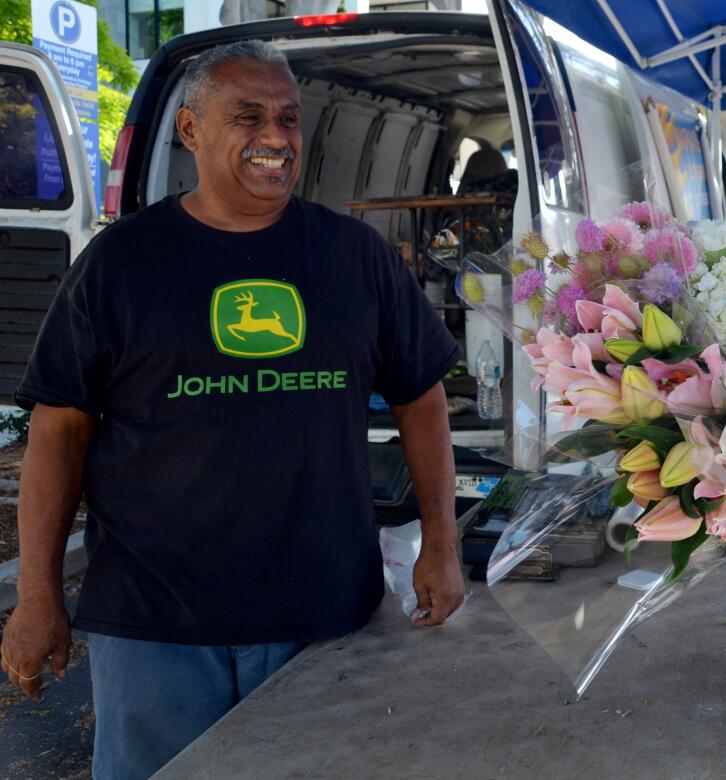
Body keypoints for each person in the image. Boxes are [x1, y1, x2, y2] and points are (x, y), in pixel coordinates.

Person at [0, 41, 465, 778]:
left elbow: (422, 398)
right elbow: (59, 430)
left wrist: (441, 543)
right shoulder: (120, 263)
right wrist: (36, 596)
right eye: (247, 117)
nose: (276, 138)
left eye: (288, 118)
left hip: (324, 614)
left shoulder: (355, 257)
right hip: (156, 624)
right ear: (189, 131)